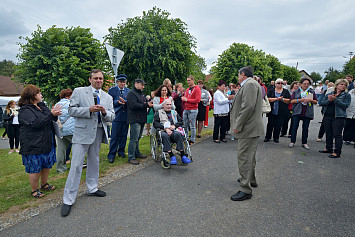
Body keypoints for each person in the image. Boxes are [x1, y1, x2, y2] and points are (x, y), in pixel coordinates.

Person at [61, 69, 115, 217]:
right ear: (90, 79)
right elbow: (71, 110)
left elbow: (112, 116)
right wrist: (89, 110)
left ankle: (92, 188)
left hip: (98, 132)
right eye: (96, 78)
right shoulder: (79, 92)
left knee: (94, 161)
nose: (99, 81)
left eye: (101, 79)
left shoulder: (107, 96)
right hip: (82, 133)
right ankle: (68, 199)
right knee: (76, 165)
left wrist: (104, 113)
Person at [18, 85, 62, 198]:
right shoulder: (24, 110)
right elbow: (35, 123)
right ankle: (34, 190)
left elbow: (49, 118)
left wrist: (54, 114)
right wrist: (50, 115)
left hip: (47, 141)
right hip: (33, 144)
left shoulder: (41, 106)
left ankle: (44, 184)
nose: (41, 95)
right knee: (34, 167)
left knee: (46, 164)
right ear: (32, 96)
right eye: (38, 93)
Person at [230, 66, 264, 201]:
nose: (238, 77)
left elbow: (247, 106)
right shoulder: (252, 84)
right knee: (250, 156)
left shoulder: (249, 84)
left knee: (244, 157)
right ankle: (251, 180)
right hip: (251, 128)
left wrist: (238, 125)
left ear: (242, 74)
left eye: (239, 75)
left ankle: (245, 189)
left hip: (248, 128)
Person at [319, 79, 351, 158]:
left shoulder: (346, 95)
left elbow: (345, 105)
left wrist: (335, 100)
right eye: (341, 84)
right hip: (327, 116)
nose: (343, 86)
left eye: (345, 85)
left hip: (339, 117)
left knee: (337, 134)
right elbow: (322, 103)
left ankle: (337, 152)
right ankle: (328, 148)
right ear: (336, 85)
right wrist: (329, 100)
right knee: (328, 133)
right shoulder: (329, 93)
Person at [153, 99, 191, 165]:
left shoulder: (174, 112)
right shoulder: (158, 112)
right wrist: (165, 128)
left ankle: (182, 155)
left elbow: (181, 121)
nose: (169, 106)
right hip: (163, 131)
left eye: (170, 104)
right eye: (167, 104)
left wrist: (174, 126)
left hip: (174, 130)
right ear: (163, 105)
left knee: (178, 134)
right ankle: (171, 155)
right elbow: (155, 124)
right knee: (164, 136)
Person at [127, 79, 154, 165]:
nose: (143, 86)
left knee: (138, 137)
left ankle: (137, 153)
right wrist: (146, 104)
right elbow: (133, 105)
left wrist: (148, 103)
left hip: (142, 118)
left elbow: (143, 104)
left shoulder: (141, 94)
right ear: (136, 84)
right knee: (134, 139)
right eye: (142, 85)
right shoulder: (131, 94)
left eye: (143, 85)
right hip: (135, 119)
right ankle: (131, 157)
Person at [288, 78, 318, 149]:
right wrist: (300, 100)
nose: (306, 85)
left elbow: (316, 102)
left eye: (308, 84)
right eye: (304, 84)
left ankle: (304, 142)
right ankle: (292, 141)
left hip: (307, 112)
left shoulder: (311, 91)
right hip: (297, 111)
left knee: (305, 128)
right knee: (294, 127)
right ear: (300, 84)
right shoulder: (296, 91)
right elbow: (291, 101)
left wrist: (311, 100)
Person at [107, 74, 130, 163]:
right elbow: (108, 102)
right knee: (114, 136)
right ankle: (111, 154)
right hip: (116, 116)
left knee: (124, 135)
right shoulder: (112, 91)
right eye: (121, 82)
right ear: (117, 82)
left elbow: (130, 102)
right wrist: (116, 102)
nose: (122, 83)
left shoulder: (128, 91)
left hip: (126, 116)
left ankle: (121, 151)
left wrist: (126, 102)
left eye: (124, 82)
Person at [264, 78, 291, 143]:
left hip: (281, 111)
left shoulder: (285, 91)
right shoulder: (271, 90)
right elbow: (268, 99)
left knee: (278, 125)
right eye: (278, 83)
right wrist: (276, 99)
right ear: (275, 84)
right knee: (270, 124)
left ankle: (276, 137)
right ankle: (267, 137)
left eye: (282, 83)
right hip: (272, 110)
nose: (280, 84)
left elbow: (289, 101)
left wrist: (282, 99)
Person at [55, 89, 75, 173]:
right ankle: (77, 165)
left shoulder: (57, 105)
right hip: (71, 130)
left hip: (59, 130)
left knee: (61, 149)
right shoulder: (71, 104)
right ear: (67, 96)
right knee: (77, 147)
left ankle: (60, 168)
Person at [181, 75, 201, 145]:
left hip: (193, 109)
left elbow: (197, 100)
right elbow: (185, 98)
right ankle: (186, 138)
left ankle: (192, 139)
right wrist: (183, 99)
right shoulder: (187, 89)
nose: (188, 82)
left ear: (193, 80)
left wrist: (187, 100)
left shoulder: (197, 89)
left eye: (189, 80)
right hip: (186, 109)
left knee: (192, 125)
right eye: (187, 80)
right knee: (185, 125)